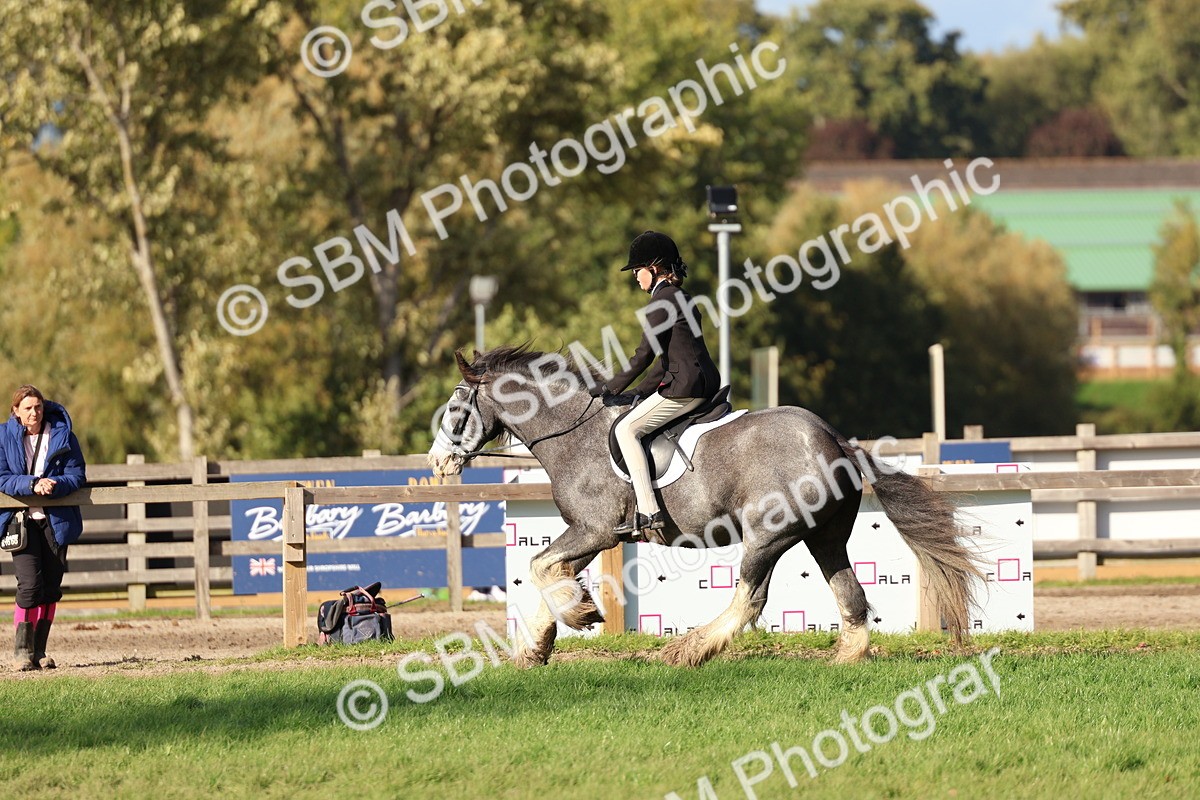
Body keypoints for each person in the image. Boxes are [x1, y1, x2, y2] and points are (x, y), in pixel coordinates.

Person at [589, 231, 721, 537]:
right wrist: (638, 392)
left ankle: (648, 511)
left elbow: (643, 356)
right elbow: (666, 360)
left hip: (685, 388)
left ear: (654, 267)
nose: (635, 277)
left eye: (637, 271)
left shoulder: (661, 301)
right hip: (702, 383)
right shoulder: (682, 297)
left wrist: (610, 388)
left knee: (626, 429)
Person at [0, 385, 86, 671]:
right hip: (20, 521)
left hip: (56, 520)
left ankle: (39, 650)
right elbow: (2, 477)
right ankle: (21, 652)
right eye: (26, 408)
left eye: (37, 407)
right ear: (15, 411)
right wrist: (31, 484)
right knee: (29, 585)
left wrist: (57, 484)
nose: (33, 413)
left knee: (50, 588)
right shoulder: (3, 437)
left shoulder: (63, 436)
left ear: (44, 407)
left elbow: (77, 475)